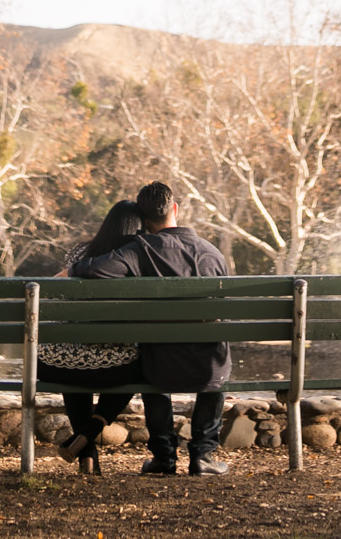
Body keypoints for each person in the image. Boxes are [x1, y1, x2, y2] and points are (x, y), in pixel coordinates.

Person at [70, 181, 230, 476]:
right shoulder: (213, 253)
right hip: (210, 366)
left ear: (142, 221)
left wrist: (70, 269)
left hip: (161, 365)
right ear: (175, 209)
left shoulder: (139, 249)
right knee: (216, 356)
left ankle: (164, 457)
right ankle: (203, 455)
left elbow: (92, 269)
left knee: (151, 355)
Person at [41, 200, 144, 474]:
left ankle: (87, 455)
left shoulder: (80, 252)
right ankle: (89, 432)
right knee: (141, 368)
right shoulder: (141, 255)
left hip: (57, 365)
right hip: (116, 369)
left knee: (74, 357)